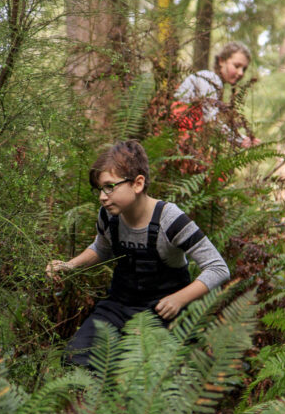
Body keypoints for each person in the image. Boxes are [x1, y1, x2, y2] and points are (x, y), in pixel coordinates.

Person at [46, 140, 230, 367]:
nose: (102, 197)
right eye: (100, 189)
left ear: (137, 183)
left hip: (162, 315)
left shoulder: (170, 220)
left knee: (141, 374)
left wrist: (179, 299)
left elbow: (218, 268)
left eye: (109, 187)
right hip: (117, 306)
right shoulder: (108, 217)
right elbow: (101, 249)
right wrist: (69, 265)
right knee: (76, 359)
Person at [172, 41, 258, 147]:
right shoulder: (210, 78)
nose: (241, 73)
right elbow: (212, 120)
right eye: (236, 66)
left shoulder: (214, 83)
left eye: (244, 69)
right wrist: (240, 140)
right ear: (221, 61)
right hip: (176, 137)